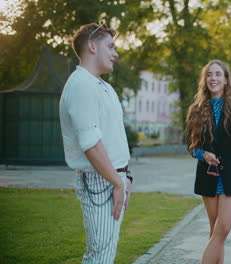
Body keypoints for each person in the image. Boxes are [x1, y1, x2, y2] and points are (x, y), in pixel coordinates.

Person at [59, 23, 133, 263]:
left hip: (113, 178)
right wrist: (117, 183)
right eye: (110, 46)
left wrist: (125, 177)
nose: (116, 53)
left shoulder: (102, 86)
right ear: (92, 46)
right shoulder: (81, 85)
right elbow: (90, 144)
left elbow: (113, 137)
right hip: (100, 180)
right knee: (99, 255)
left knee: (106, 253)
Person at [185, 60, 231, 264]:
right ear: (204, 79)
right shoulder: (196, 109)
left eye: (218, 74)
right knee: (216, 233)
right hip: (209, 177)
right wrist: (203, 155)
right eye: (209, 74)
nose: (213, 78)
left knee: (221, 231)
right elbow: (191, 146)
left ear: (226, 79)